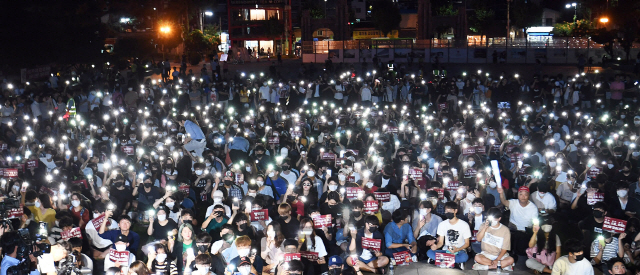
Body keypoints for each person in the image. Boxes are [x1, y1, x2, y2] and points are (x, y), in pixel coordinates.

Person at [428, 201, 471, 269]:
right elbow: (441, 242)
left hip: (459, 250)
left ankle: (441, 260)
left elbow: (467, 243)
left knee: (464, 257)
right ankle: (453, 262)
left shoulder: (464, 225)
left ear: (455, 211)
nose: (448, 212)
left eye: (450, 210)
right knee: (429, 252)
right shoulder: (442, 224)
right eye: (446, 211)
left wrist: (457, 249)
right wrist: (436, 246)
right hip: (446, 250)